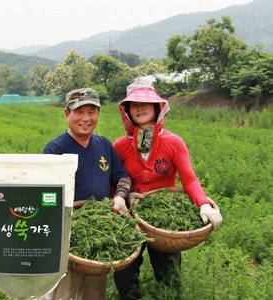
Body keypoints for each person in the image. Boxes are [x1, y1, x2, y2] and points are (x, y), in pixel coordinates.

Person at [113, 81, 223, 299]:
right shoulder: (120, 146)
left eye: (147, 103)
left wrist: (203, 204)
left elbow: (189, 179)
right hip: (129, 215)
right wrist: (124, 197)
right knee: (126, 272)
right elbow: (114, 182)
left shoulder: (173, 142)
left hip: (162, 217)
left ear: (157, 108)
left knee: (168, 270)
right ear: (127, 110)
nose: (140, 108)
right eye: (134, 104)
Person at [42, 87, 131, 300]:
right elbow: (45, 196)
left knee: (94, 293)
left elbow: (122, 177)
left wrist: (119, 196)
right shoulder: (55, 150)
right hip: (68, 235)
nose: (86, 118)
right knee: (61, 292)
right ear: (67, 114)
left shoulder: (104, 145)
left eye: (92, 112)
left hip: (98, 232)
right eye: (79, 112)